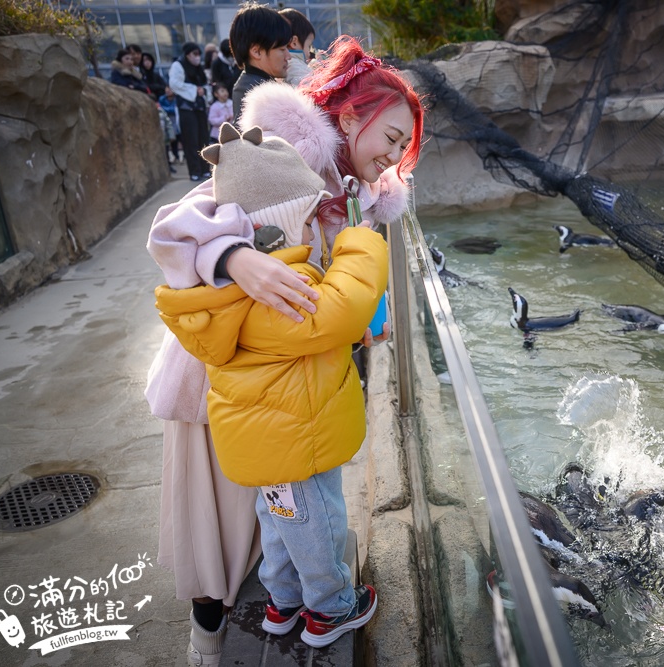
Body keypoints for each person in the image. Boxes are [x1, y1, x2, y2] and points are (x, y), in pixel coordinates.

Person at [145, 34, 423, 664]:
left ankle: (277, 607)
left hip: (275, 372)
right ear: (353, 116)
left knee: (271, 508)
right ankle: (266, 625)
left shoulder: (348, 186)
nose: (395, 156)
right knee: (230, 525)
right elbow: (174, 225)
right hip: (224, 368)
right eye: (391, 137)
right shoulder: (283, 154)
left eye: (405, 148)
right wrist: (234, 256)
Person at [156, 121, 387, 649]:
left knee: (279, 520)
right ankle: (330, 610)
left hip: (266, 443)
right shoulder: (278, 292)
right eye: (308, 223)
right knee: (316, 523)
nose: (314, 235)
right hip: (296, 438)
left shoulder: (226, 297)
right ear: (278, 229)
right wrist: (360, 245)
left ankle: (282, 604)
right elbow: (342, 313)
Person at [228, 2, 292, 127]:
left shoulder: (251, 83)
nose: (288, 56)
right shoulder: (256, 93)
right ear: (256, 52)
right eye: (282, 49)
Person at [170, 42, 212, 181]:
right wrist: (195, 90)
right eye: (194, 54)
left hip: (200, 107)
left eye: (199, 54)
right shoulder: (178, 66)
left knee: (203, 138)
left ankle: (205, 169)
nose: (197, 57)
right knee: (191, 140)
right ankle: (194, 171)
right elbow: (175, 84)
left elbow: (206, 85)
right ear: (187, 54)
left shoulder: (198, 68)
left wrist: (203, 90)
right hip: (186, 108)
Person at [278, 8, 315, 89]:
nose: (309, 52)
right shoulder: (293, 65)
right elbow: (311, 89)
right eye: (309, 46)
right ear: (294, 42)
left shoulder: (283, 64)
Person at [159, 85, 182, 165]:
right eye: (167, 88)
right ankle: (174, 157)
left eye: (170, 89)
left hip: (176, 121)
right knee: (171, 141)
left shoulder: (177, 99)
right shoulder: (162, 99)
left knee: (179, 139)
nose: (168, 90)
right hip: (166, 122)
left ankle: (179, 157)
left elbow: (175, 109)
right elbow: (161, 108)